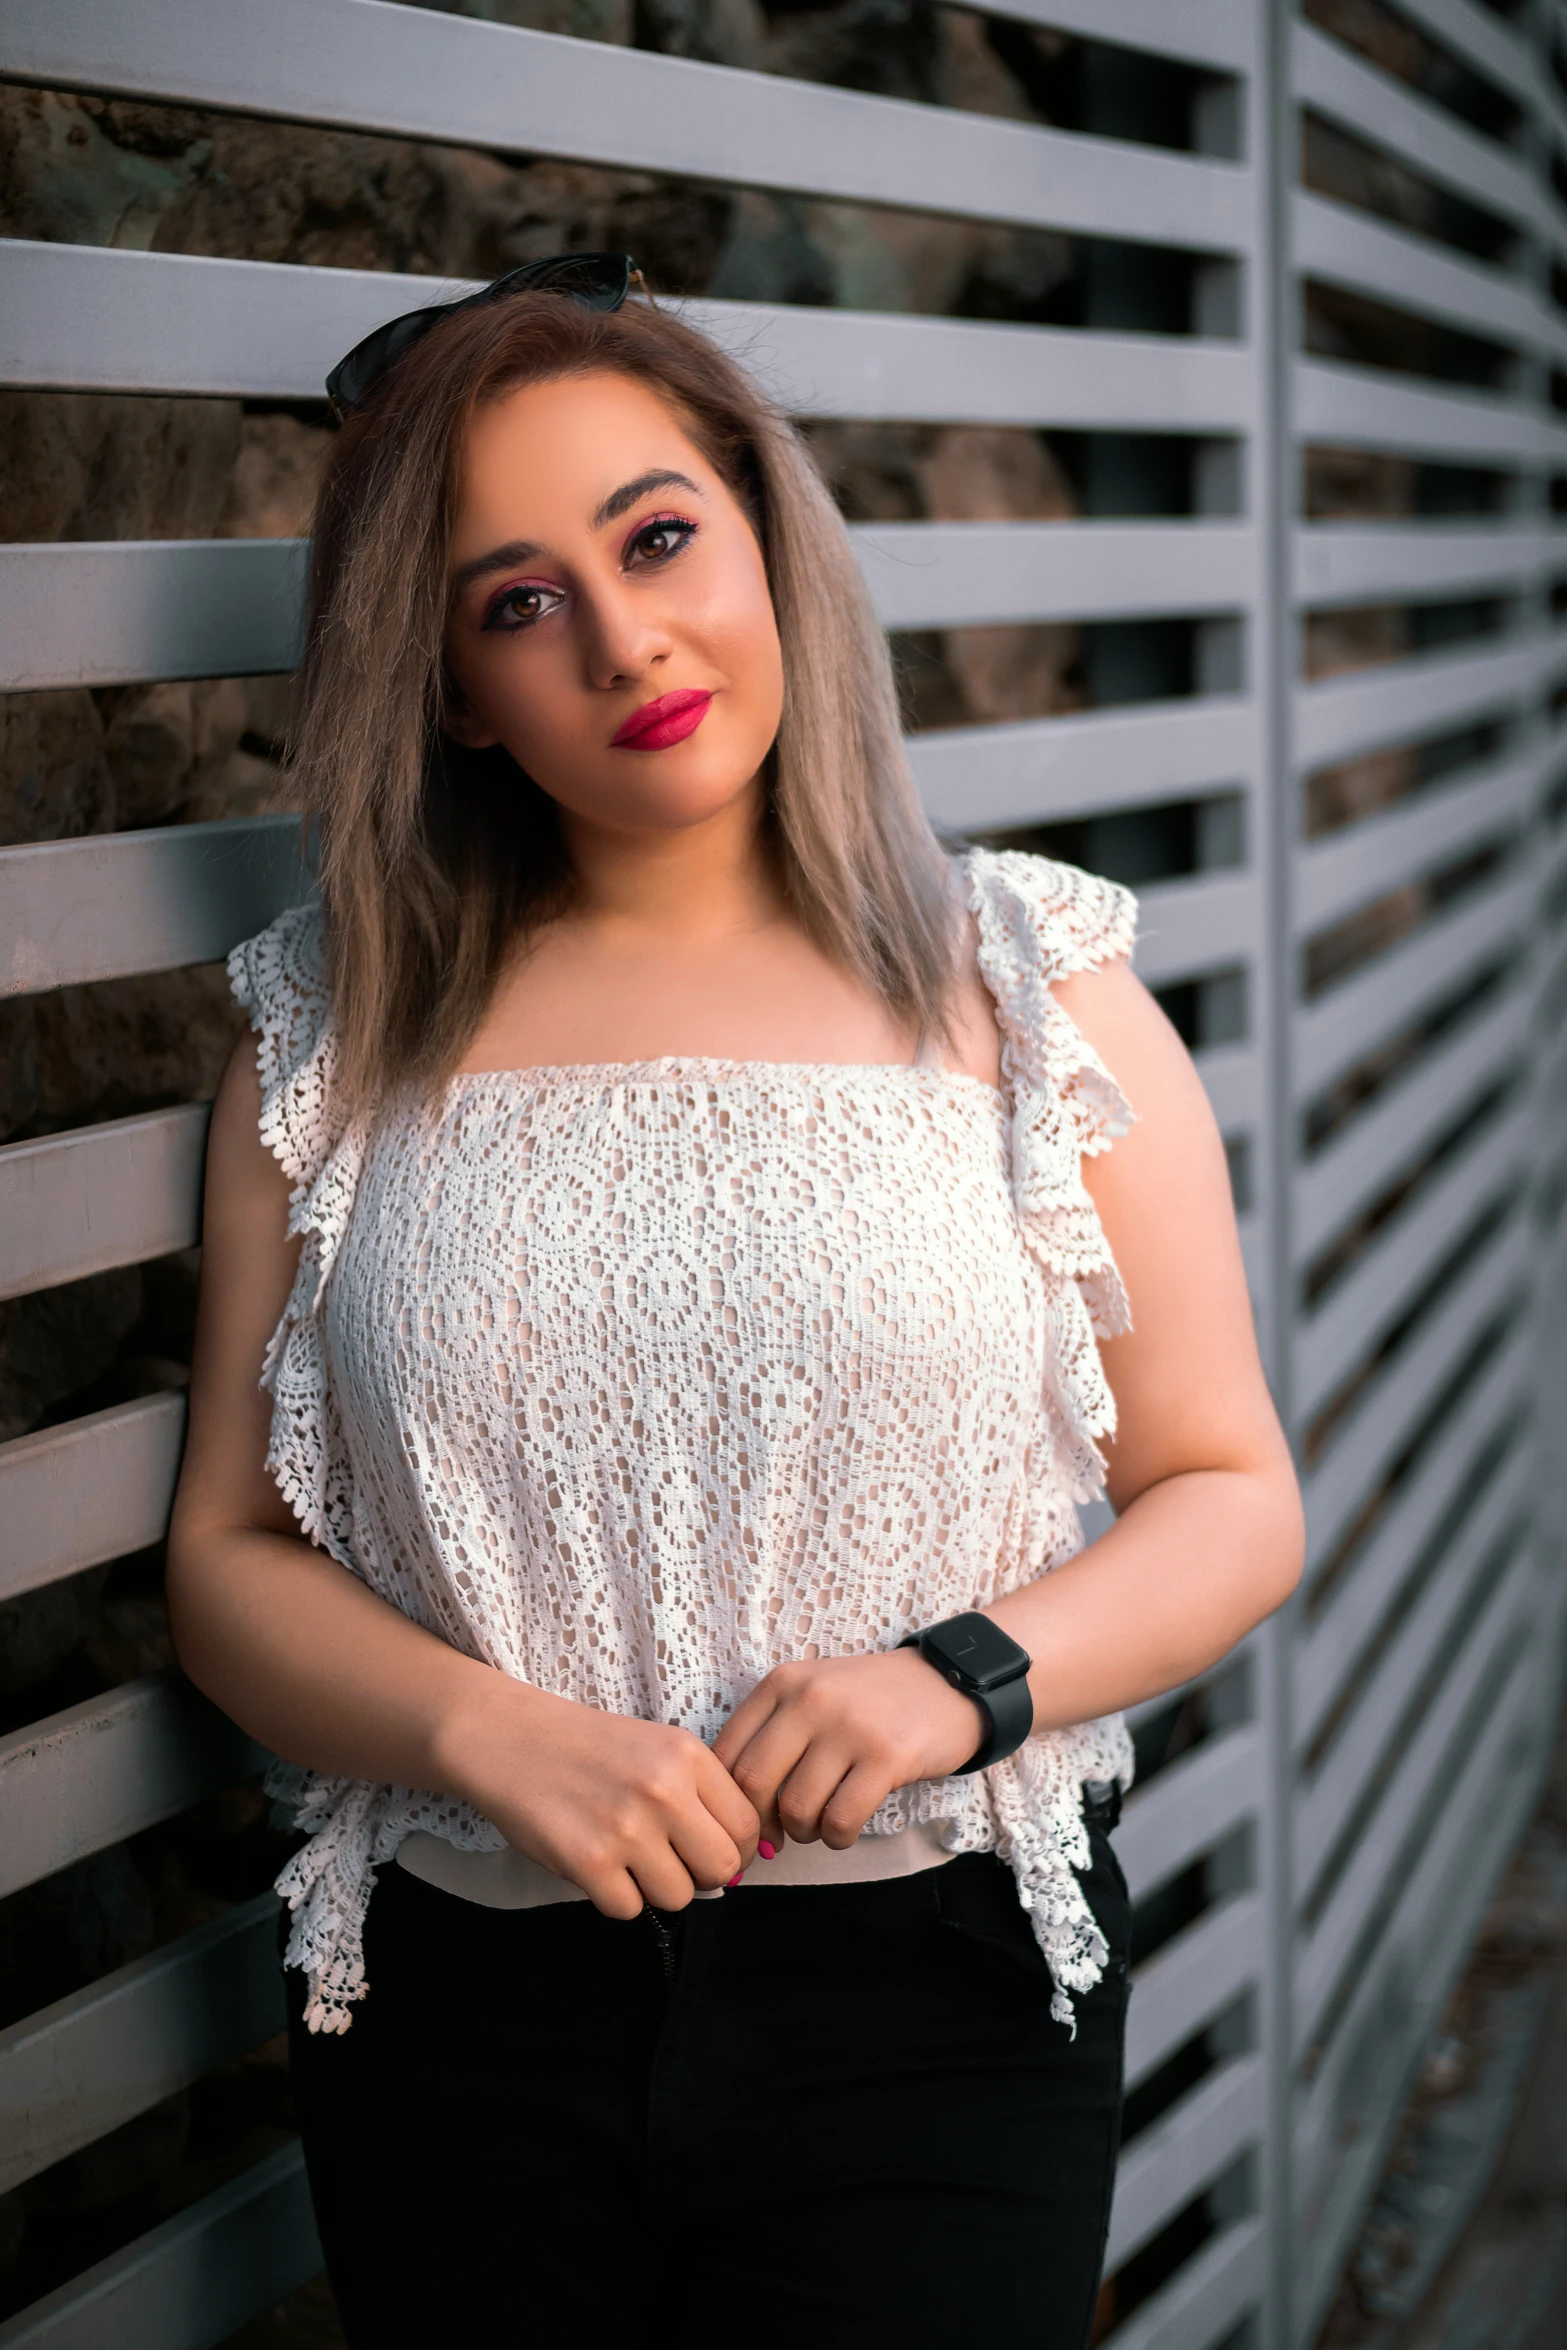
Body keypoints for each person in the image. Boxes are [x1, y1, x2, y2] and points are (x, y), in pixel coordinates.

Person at [167, 255, 1302, 2348]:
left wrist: (956, 1674)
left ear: (769, 533)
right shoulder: (330, 1032)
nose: (625, 639)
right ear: (441, 682)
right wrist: (486, 1730)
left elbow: (1230, 1486)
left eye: (658, 535)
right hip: (457, 2012)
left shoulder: (1029, 988)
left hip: (931, 1996)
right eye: (518, 600)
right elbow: (226, 1552)